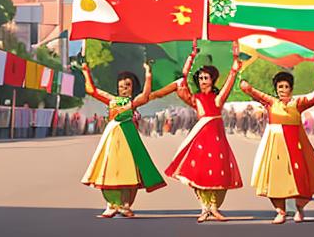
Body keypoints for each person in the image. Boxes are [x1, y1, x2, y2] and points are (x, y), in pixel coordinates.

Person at [79, 61, 174, 218]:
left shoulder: (132, 102)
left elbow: (145, 95)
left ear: (132, 87)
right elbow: (92, 90)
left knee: (130, 172)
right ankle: (111, 204)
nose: (123, 89)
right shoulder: (111, 100)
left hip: (129, 140)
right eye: (121, 86)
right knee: (109, 170)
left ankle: (125, 205)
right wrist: (85, 71)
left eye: (127, 85)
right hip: (111, 139)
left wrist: (148, 73)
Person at [240, 68, 314, 224]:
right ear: (276, 89)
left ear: (291, 88)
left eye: (286, 87)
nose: (283, 90)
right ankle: (280, 211)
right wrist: (243, 81)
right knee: (275, 179)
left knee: (301, 178)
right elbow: (252, 92)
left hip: (295, 147)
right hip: (276, 147)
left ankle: (300, 208)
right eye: (280, 87)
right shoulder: (270, 102)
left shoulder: (297, 104)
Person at [164, 41, 244, 222]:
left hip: (217, 139)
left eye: (206, 78)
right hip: (200, 139)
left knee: (218, 171)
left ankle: (214, 207)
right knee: (198, 173)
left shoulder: (217, 99)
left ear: (213, 80)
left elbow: (230, 81)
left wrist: (235, 62)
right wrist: (191, 57)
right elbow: (182, 80)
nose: (203, 81)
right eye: (200, 78)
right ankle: (204, 207)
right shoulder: (195, 99)